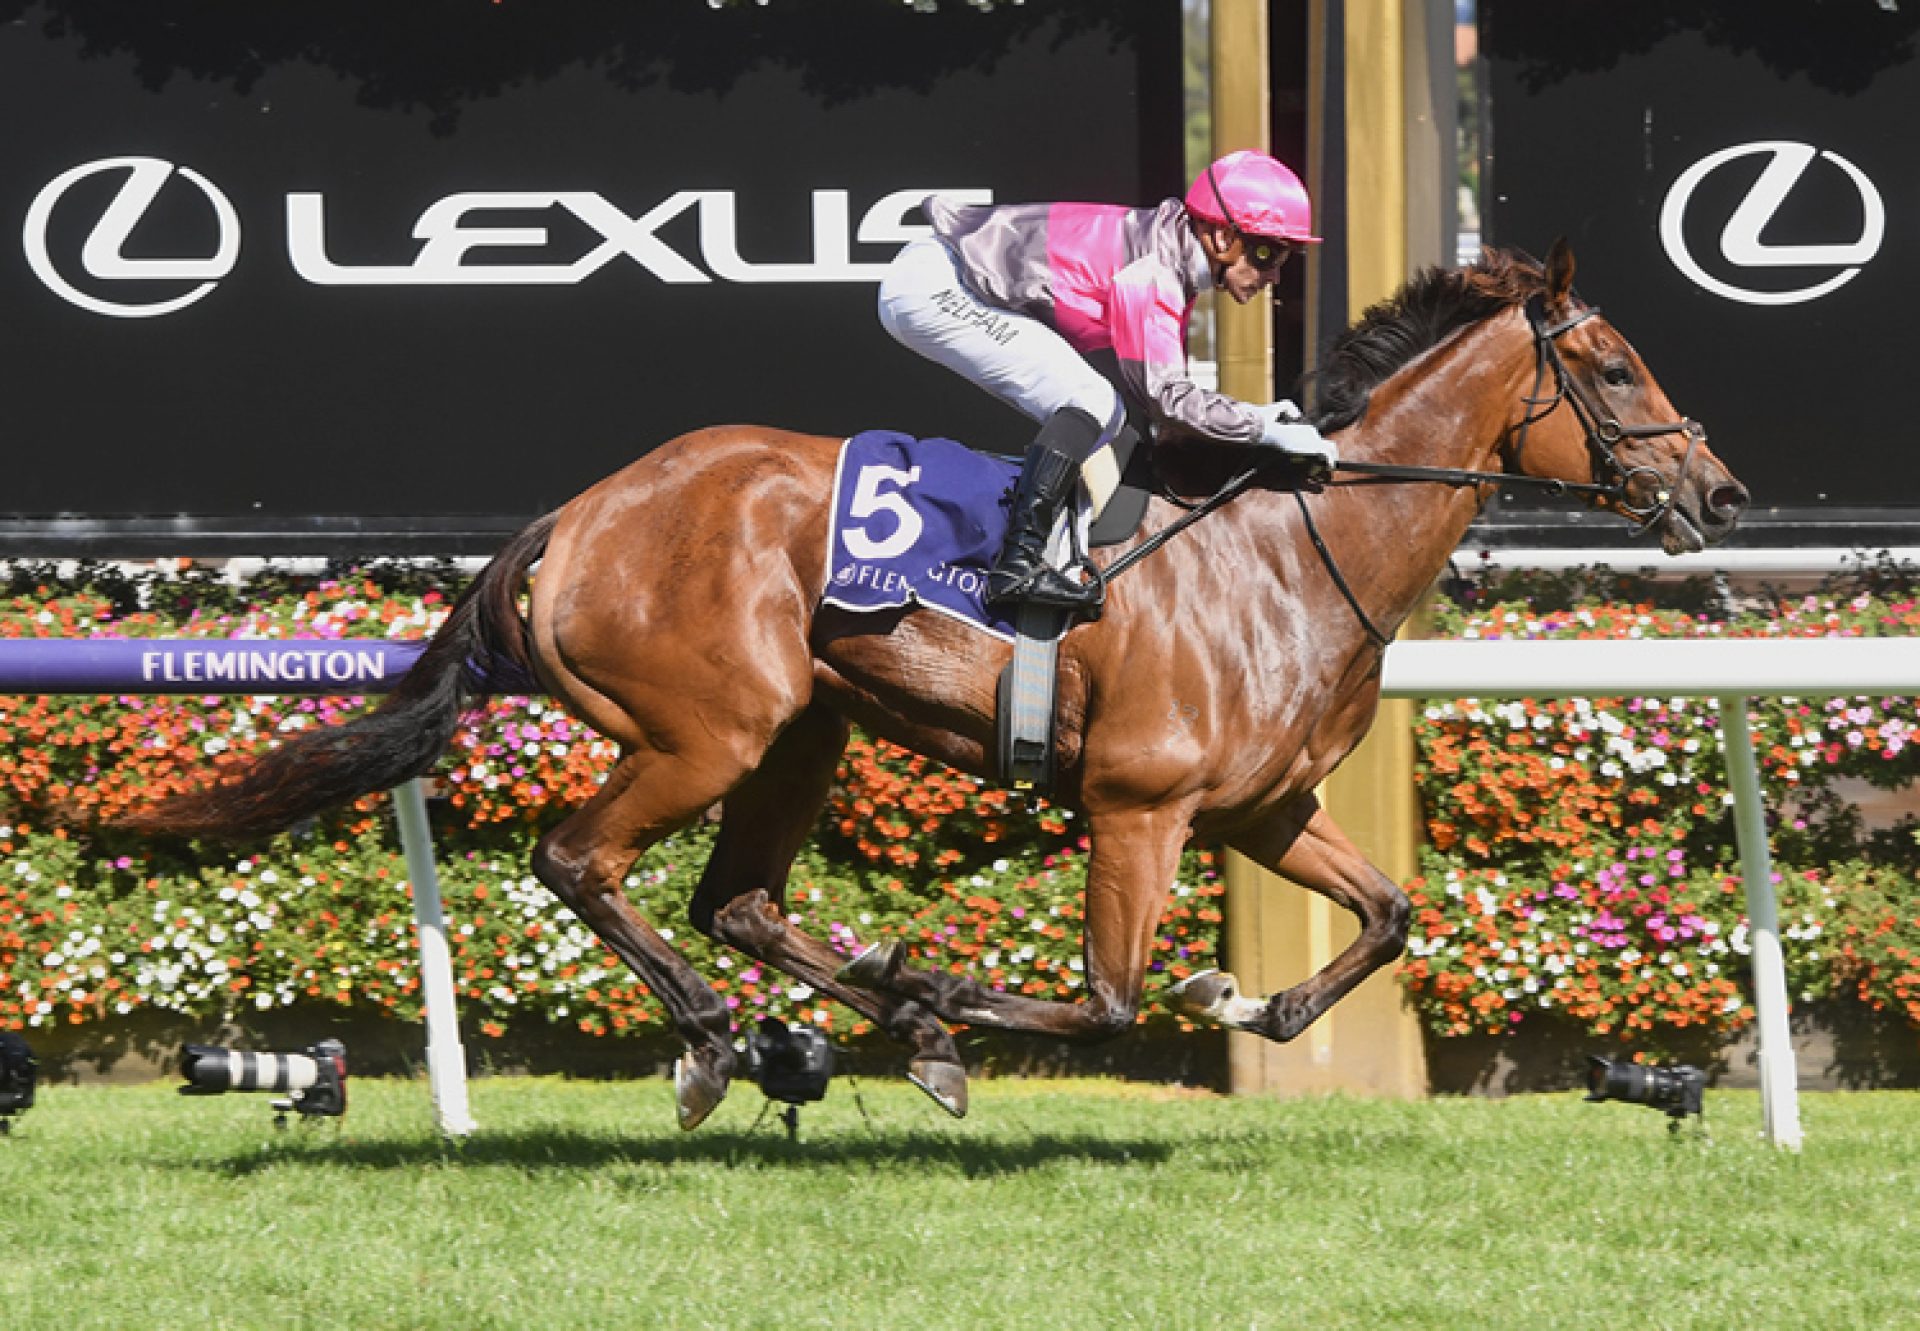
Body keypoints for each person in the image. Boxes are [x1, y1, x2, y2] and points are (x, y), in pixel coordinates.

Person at [877, 149, 1338, 615]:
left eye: (1285, 256)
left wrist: (1255, 419)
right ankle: (1016, 568)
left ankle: (1047, 552)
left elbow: (1163, 400)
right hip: (937, 286)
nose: (1275, 274)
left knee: (1105, 413)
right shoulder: (1155, 275)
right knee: (1091, 400)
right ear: (1221, 236)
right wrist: (1260, 429)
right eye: (1267, 253)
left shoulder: (1173, 259)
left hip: (941, 279)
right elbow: (1165, 399)